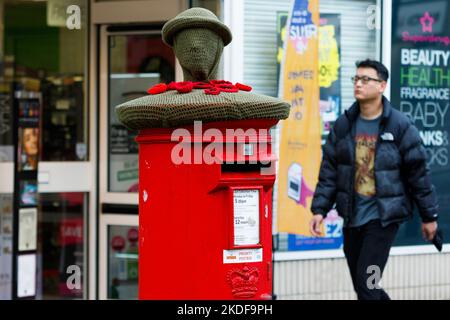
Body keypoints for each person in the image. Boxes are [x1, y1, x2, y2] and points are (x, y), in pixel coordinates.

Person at [309, 59, 439, 300]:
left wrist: (429, 216)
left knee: (368, 283)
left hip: (382, 219)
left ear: (382, 86)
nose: (358, 84)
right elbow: (329, 170)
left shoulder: (399, 126)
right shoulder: (344, 125)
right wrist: (319, 210)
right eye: (356, 79)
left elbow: (418, 173)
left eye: (365, 79)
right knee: (363, 287)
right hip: (351, 217)